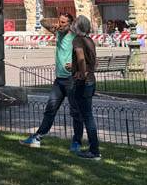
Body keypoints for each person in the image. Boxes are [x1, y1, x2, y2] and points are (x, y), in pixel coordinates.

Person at [21, 13, 76, 147]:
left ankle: (77, 141)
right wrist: (53, 25)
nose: (60, 24)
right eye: (59, 21)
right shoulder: (58, 33)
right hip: (59, 80)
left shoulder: (74, 37)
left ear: (70, 24)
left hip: (71, 79)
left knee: (75, 112)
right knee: (50, 109)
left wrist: (74, 65)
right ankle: (38, 137)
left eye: (63, 22)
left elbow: (82, 55)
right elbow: (42, 22)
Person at [67, 15, 101, 161]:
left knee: (87, 116)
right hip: (91, 80)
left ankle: (94, 150)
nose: (72, 24)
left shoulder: (78, 40)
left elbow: (80, 58)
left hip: (84, 82)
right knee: (88, 115)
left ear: (78, 26)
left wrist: (81, 73)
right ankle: (93, 148)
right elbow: (93, 61)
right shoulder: (89, 40)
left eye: (74, 22)